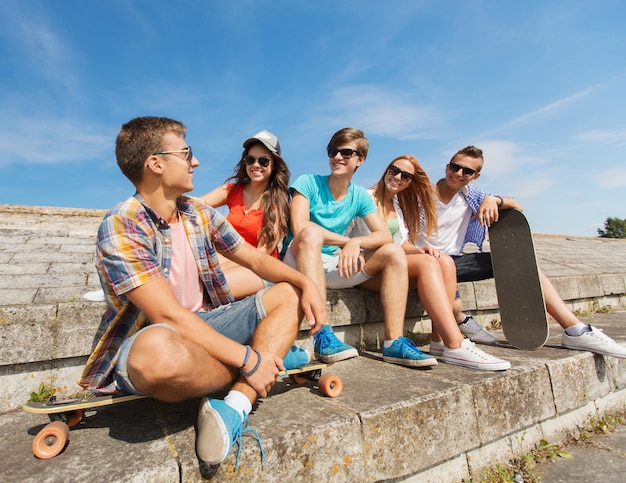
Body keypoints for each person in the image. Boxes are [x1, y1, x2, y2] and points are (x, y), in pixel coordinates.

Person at [78, 116, 327, 468]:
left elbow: (254, 258)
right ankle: (270, 355)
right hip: (158, 337)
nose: (195, 162)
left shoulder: (198, 213)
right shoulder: (123, 223)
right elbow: (167, 316)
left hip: (209, 325)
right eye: (186, 152)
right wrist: (252, 359)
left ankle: (238, 403)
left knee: (287, 292)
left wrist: (306, 283)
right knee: (155, 356)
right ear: (156, 164)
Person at [415, 145, 626, 358]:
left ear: (475, 176)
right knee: (453, 300)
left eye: (467, 171)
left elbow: (517, 206)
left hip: (455, 261)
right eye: (455, 167)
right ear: (447, 166)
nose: (458, 174)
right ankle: (461, 320)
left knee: (520, 262)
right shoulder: (421, 194)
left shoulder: (471, 196)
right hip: (424, 261)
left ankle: (575, 330)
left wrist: (494, 200)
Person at [284, 127, 436, 367]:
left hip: (332, 264)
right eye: (333, 151)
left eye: (346, 152)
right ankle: (322, 335)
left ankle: (394, 343)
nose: (337, 157)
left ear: (360, 160)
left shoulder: (360, 196)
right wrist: (347, 241)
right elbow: (300, 226)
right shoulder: (308, 182)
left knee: (393, 252)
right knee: (311, 232)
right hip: (298, 260)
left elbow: (384, 235)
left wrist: (357, 242)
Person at [349, 155, 510, 370]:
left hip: (391, 266)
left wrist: (419, 249)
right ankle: (456, 343)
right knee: (427, 264)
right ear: (386, 169)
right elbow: (350, 232)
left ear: (410, 183)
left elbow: (401, 242)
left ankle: (439, 341)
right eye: (394, 170)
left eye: (406, 176)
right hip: (364, 269)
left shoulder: (397, 205)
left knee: (443, 260)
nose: (398, 177)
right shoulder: (365, 197)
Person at [199, 130, 310, 369]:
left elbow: (259, 256)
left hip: (261, 271)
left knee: (210, 284)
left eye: (263, 160)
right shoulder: (232, 190)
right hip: (230, 263)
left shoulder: (279, 200)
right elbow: (195, 204)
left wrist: (217, 265)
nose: (255, 165)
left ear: (274, 165)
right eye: (250, 159)